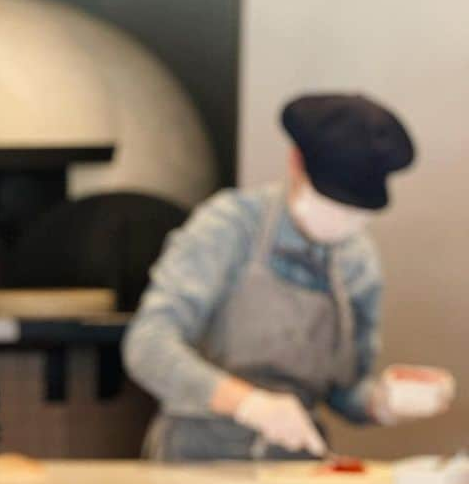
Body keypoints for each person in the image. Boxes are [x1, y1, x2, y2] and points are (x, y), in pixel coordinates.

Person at [123, 93, 454, 460]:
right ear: (296, 162)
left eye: (354, 212)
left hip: (296, 466)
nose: (342, 220)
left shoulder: (356, 261)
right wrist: (250, 404)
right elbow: (147, 346)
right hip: (198, 459)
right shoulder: (230, 227)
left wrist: (383, 402)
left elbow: (344, 392)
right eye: (331, 200)